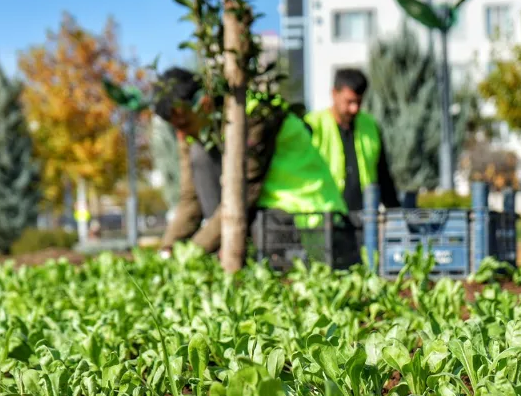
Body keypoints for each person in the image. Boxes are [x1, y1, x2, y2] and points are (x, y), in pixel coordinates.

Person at [154, 67, 358, 266]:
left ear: (205, 104)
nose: (181, 135)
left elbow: (244, 194)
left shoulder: (254, 114)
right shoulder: (201, 131)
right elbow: (191, 198)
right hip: (272, 214)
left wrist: (194, 252)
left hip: (310, 218)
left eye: (184, 125)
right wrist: (168, 248)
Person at [304, 68, 400, 216]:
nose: (354, 108)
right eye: (349, 102)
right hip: (324, 220)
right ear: (334, 94)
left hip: (364, 220)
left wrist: (396, 214)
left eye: (359, 102)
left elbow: (383, 177)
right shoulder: (313, 126)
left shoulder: (370, 126)